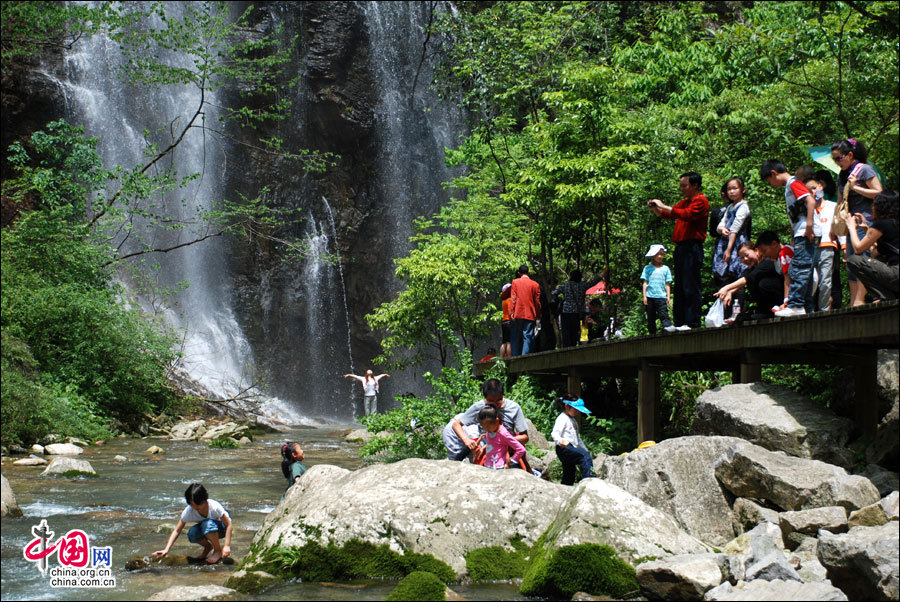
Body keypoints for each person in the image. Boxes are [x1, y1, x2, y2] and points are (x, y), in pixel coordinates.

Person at [648, 171, 709, 330]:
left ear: (694, 185)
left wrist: (662, 205)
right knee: (681, 285)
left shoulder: (700, 201)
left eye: (684, 185)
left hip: (692, 247)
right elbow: (670, 214)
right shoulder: (685, 201)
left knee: (691, 285)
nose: (681, 188)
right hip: (681, 248)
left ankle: (692, 322)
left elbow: (686, 215)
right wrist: (656, 209)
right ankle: (680, 322)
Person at [760, 160, 818, 316]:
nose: (771, 184)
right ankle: (806, 308)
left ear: (773, 173)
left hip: (805, 231)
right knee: (805, 269)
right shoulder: (790, 185)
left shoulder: (793, 182)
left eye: (769, 181)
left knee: (799, 268)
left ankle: (796, 304)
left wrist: (809, 225)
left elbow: (810, 200)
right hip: (800, 231)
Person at [832, 139, 883, 306]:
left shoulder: (865, 170)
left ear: (850, 155)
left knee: (862, 259)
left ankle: (861, 299)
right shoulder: (842, 175)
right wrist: (834, 225)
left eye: (839, 158)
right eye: (834, 159)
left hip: (865, 221)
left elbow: (879, 193)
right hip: (849, 223)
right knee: (851, 263)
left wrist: (857, 188)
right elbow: (840, 200)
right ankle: (855, 300)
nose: (837, 162)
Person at [448, 378, 529, 460]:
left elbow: (525, 437)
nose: (495, 404)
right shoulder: (479, 407)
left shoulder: (514, 408)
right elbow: (456, 424)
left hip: (507, 447)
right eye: (491, 401)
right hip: (486, 447)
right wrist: (467, 440)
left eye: (499, 400)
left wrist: (504, 440)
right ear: (485, 398)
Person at [153, 483, 232, 564]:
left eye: (198, 504)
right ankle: (208, 547)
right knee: (192, 533)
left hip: (222, 529)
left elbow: (229, 525)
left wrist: (227, 546)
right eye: (191, 504)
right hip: (207, 529)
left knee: (207, 524)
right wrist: (166, 549)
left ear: (205, 499)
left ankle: (217, 551)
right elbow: (177, 530)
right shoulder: (189, 511)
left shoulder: (214, 507)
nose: (195, 507)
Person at [844, 191, 899, 301]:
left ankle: (886, 296)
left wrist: (851, 227)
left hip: (896, 273)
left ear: (879, 206)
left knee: (854, 260)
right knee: (878, 258)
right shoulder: (894, 224)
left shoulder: (882, 224)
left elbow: (858, 249)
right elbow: (874, 252)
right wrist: (866, 229)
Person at [714, 241, 785, 323]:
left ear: (756, 251)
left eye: (747, 255)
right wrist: (730, 292)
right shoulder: (748, 270)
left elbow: (747, 279)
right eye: (742, 258)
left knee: (763, 283)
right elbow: (741, 283)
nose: (745, 259)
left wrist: (726, 288)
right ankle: (764, 311)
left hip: (779, 299)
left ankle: (777, 308)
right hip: (764, 309)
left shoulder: (767, 262)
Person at [712, 177, 751, 316]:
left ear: (743, 190)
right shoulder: (730, 206)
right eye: (729, 189)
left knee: (737, 278)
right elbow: (720, 225)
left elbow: (735, 229)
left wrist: (729, 250)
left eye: (735, 188)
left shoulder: (743, 207)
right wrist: (721, 229)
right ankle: (724, 314)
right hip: (724, 244)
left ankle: (737, 313)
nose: (732, 191)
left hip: (737, 246)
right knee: (723, 278)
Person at [803, 173, 839, 311]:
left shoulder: (833, 206)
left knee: (826, 281)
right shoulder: (806, 209)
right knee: (812, 280)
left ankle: (824, 309)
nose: (813, 192)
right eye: (809, 190)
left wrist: (844, 246)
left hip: (828, 245)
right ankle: (809, 308)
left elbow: (838, 225)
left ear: (820, 186)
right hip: (810, 248)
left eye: (814, 188)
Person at [552, 269, 604, 347]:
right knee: (574, 332)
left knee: (566, 332)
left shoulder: (565, 286)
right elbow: (593, 282)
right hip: (577, 313)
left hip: (566, 312)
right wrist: (602, 274)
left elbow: (554, 293)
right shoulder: (582, 286)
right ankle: (572, 347)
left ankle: (566, 348)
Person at [551, 395, 596, 486]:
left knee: (569, 472)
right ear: (567, 406)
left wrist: (585, 449)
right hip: (564, 448)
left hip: (571, 448)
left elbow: (577, 439)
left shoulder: (573, 421)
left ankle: (566, 487)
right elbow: (554, 433)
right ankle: (590, 480)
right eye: (575, 409)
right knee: (584, 457)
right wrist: (560, 441)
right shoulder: (562, 418)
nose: (577, 412)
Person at [476, 405, 527, 470]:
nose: (487, 430)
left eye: (488, 427)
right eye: (484, 427)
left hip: (499, 467)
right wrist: (483, 446)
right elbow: (494, 443)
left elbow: (521, 449)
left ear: (497, 421)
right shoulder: (491, 430)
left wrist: (510, 461)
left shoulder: (503, 434)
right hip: (488, 465)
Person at [640, 244, 675, 334]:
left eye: (662, 254)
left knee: (664, 314)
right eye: (658, 254)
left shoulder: (666, 269)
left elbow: (667, 283)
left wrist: (668, 296)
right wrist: (644, 296)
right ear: (653, 255)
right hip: (650, 296)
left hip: (661, 296)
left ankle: (668, 330)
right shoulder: (647, 268)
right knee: (651, 317)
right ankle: (652, 334)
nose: (660, 256)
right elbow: (645, 282)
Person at [755, 230, 793, 311]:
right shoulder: (776, 258)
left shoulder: (785, 252)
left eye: (764, 251)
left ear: (774, 244)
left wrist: (786, 301)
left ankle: (788, 304)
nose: (764, 255)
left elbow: (788, 278)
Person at [509, 264, 542, 355]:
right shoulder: (535, 284)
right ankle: (525, 356)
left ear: (519, 273)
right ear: (528, 272)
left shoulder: (515, 282)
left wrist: (511, 311)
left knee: (516, 336)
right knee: (528, 336)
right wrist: (538, 315)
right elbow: (537, 302)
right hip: (530, 313)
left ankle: (515, 356)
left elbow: (513, 298)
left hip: (518, 313)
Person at [499, 283, 513, 358]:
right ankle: (510, 358)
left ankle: (501, 358)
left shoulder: (503, 301)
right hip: (509, 321)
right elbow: (510, 310)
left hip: (504, 321)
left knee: (504, 342)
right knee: (509, 342)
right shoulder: (509, 300)